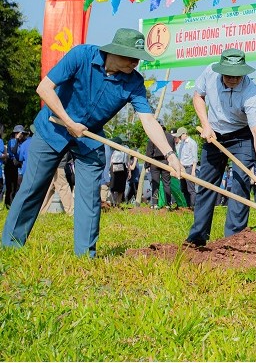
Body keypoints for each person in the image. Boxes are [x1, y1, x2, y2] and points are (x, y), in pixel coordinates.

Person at [2, 28, 182, 257]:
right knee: (32, 188)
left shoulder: (134, 82)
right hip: (53, 127)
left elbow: (148, 119)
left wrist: (170, 154)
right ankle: (10, 246)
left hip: (89, 136)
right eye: (131, 57)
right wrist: (68, 122)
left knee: (90, 195)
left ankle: (85, 255)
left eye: (138, 58)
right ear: (114, 52)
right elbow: (44, 88)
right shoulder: (82, 56)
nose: (135, 63)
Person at [184, 48, 256, 247]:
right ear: (220, 70)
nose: (232, 79)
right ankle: (197, 238)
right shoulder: (209, 73)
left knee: (239, 185)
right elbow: (198, 96)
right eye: (228, 75)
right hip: (213, 135)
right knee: (207, 185)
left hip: (241, 138)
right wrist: (205, 125)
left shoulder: (251, 90)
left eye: (237, 76)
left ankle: (234, 240)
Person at [146, 119, 176, 210]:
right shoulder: (170, 137)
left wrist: (147, 165)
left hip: (155, 162)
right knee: (167, 183)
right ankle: (168, 204)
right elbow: (173, 151)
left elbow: (149, 152)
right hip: (166, 161)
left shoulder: (153, 136)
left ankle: (154, 204)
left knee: (155, 184)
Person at [175, 127, 198, 208]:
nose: (179, 137)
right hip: (182, 168)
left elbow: (195, 158)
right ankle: (187, 206)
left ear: (184, 134)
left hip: (189, 167)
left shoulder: (192, 143)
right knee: (183, 188)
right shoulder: (181, 144)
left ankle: (193, 206)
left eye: (180, 135)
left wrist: (193, 171)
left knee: (191, 189)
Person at [4, 125, 26, 207]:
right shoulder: (12, 141)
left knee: (16, 186)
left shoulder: (22, 142)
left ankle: (12, 203)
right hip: (10, 165)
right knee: (10, 186)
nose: (20, 135)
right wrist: (17, 139)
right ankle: (8, 203)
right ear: (15, 133)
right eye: (18, 133)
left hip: (17, 165)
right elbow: (13, 151)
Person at [109, 136, 130, 207]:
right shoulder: (112, 150)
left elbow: (127, 161)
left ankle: (118, 203)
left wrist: (129, 171)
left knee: (120, 187)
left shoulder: (125, 149)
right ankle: (114, 202)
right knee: (113, 187)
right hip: (116, 167)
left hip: (119, 167)